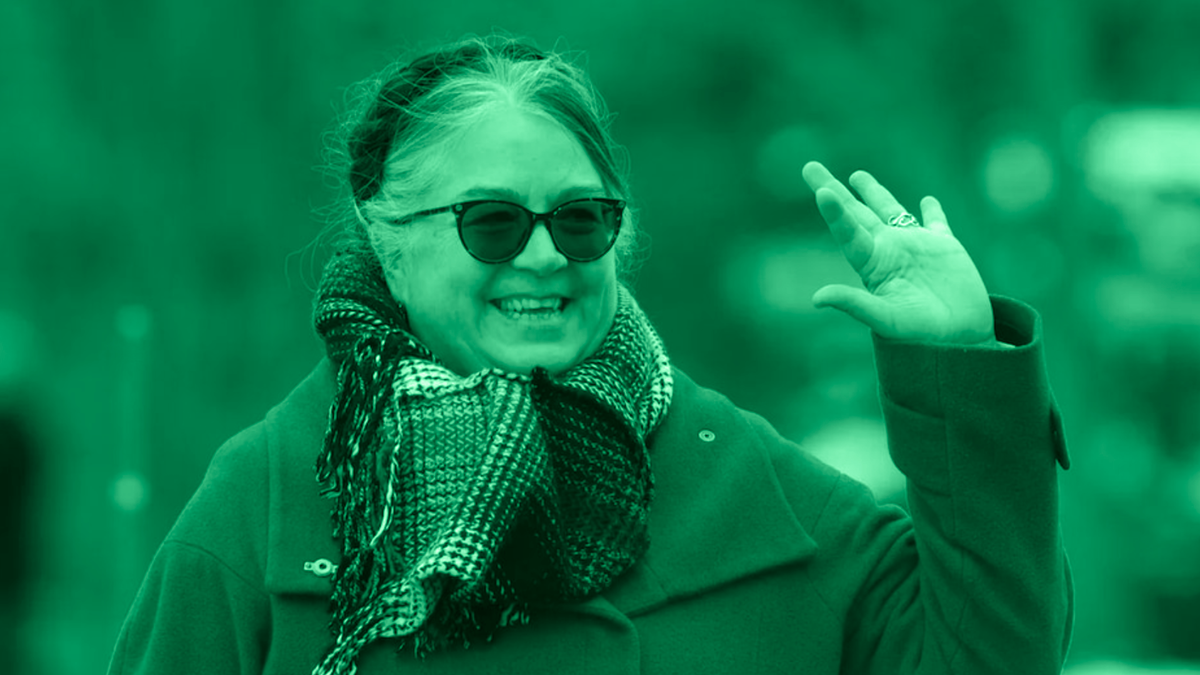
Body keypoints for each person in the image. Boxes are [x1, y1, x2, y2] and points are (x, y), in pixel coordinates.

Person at [107, 33, 1073, 674]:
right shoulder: (270, 497)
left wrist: (958, 361)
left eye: (579, 219)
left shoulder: (751, 484)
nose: (542, 255)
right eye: (491, 221)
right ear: (388, 242)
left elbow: (990, 655)